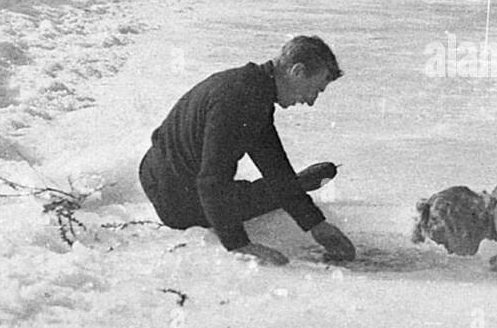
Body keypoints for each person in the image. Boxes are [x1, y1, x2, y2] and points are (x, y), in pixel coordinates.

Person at [139, 35, 356, 265]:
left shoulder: (252, 89)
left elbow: (274, 166)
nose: (311, 101)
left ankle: (293, 188)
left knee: (271, 188)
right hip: (176, 201)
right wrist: (240, 245)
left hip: (163, 176)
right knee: (248, 199)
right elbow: (211, 181)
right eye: (315, 89)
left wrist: (316, 225)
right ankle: (294, 187)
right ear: (297, 71)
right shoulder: (242, 100)